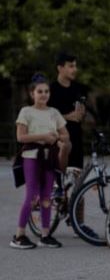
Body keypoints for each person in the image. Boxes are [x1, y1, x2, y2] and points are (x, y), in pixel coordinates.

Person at [11, 75, 69, 249]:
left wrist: (57, 138)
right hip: (31, 156)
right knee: (31, 196)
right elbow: (21, 137)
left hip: (49, 157)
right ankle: (19, 235)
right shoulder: (26, 112)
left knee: (46, 197)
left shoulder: (54, 113)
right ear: (32, 94)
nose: (43, 95)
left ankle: (45, 234)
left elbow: (65, 134)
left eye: (46, 91)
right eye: (39, 91)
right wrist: (43, 136)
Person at [47, 52, 88, 174]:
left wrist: (82, 113)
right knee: (58, 178)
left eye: (75, 66)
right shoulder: (50, 90)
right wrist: (67, 117)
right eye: (71, 66)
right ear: (60, 68)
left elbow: (82, 112)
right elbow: (45, 116)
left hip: (76, 139)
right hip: (57, 141)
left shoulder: (79, 88)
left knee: (76, 179)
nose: (75, 69)